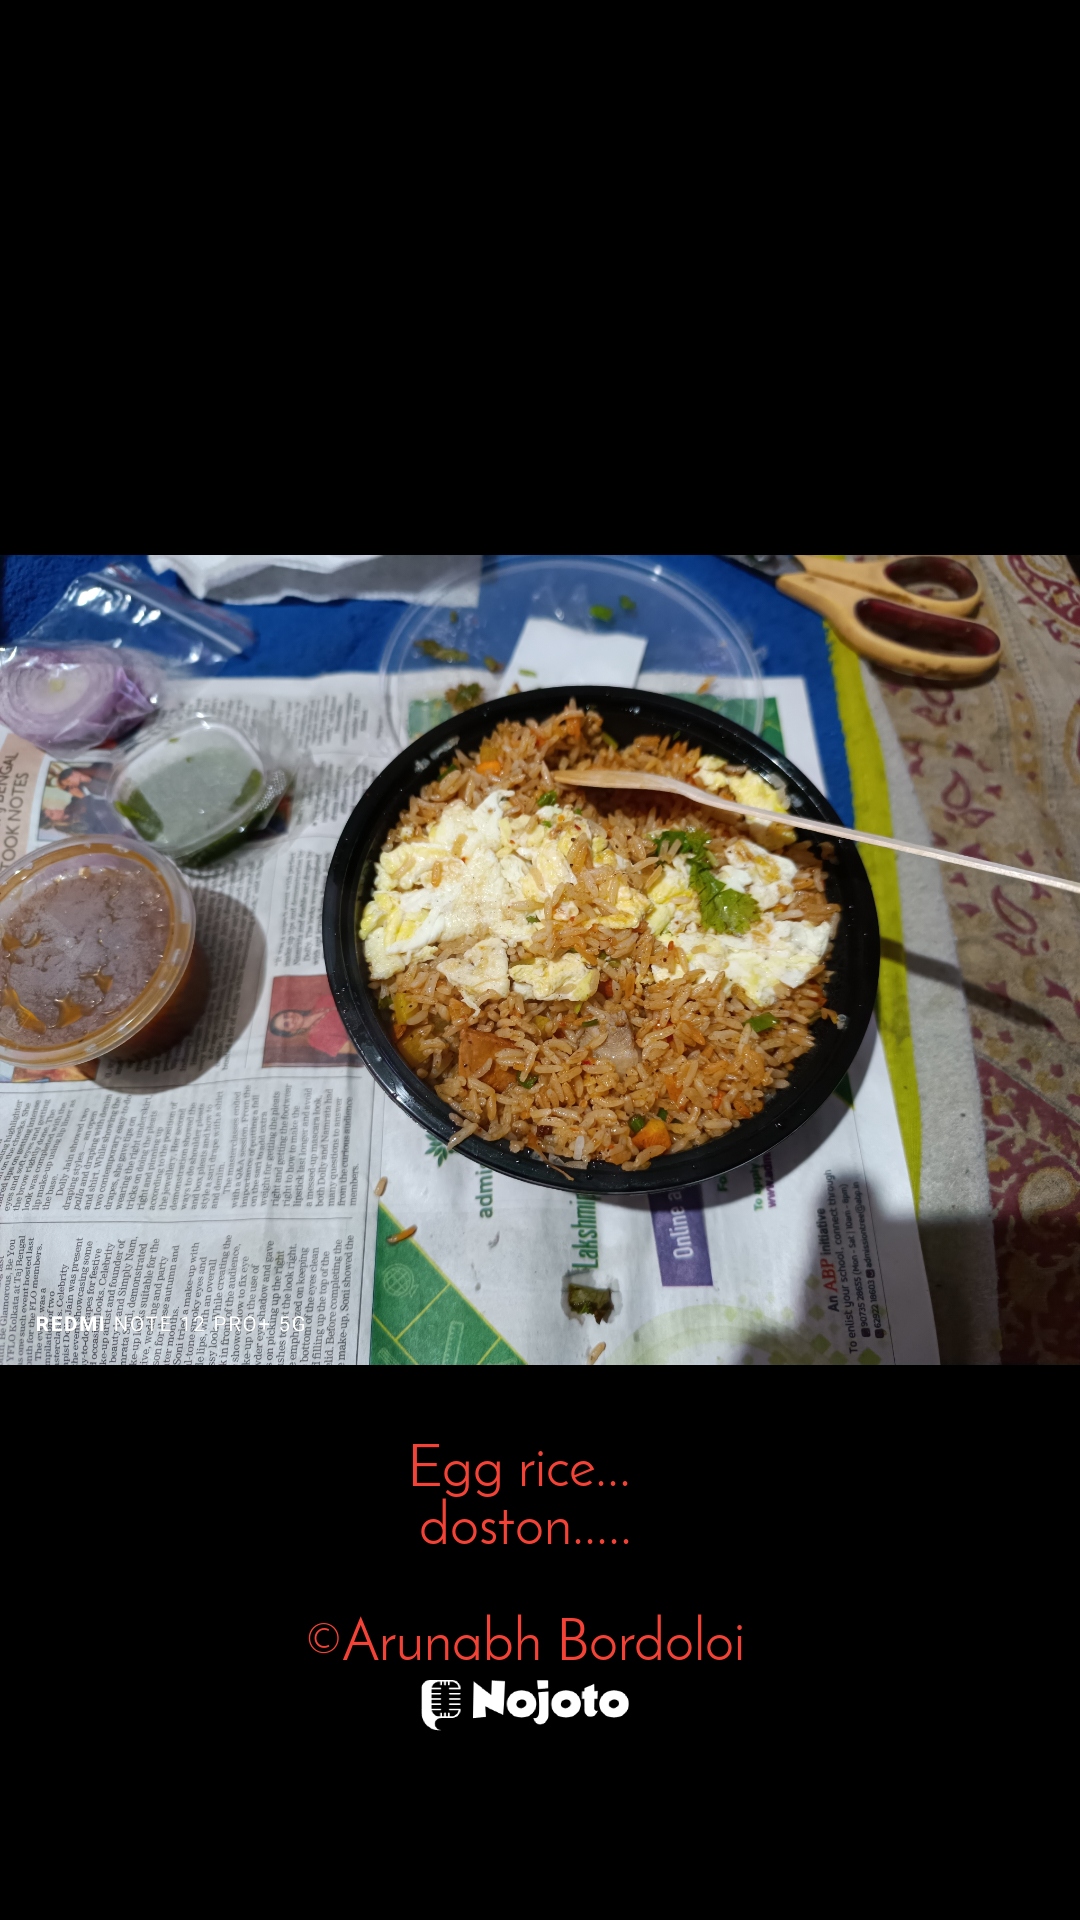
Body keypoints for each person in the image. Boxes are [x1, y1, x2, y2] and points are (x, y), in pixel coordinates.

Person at [267, 982, 355, 1058]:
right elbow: (352, 1048)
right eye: (286, 1024)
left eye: (286, 1015)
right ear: (291, 1032)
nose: (290, 1018)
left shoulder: (321, 1001)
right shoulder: (315, 1039)